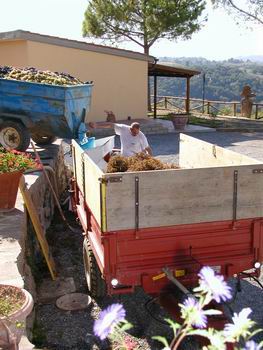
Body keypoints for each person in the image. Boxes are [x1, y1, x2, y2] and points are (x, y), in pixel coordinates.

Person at [88, 121, 153, 157]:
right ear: (130, 129)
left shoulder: (141, 136)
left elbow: (148, 148)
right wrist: (97, 125)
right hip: (124, 157)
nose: (135, 134)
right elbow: (111, 125)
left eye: (137, 133)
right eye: (134, 133)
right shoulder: (123, 128)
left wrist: (151, 159)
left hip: (135, 159)